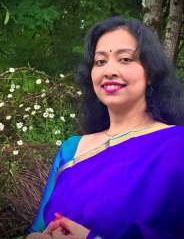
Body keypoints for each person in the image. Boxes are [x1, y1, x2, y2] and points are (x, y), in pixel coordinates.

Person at [26, 17, 184, 239]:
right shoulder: (71, 150)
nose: (109, 70)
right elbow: (38, 229)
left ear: (151, 73)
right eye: (100, 62)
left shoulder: (176, 145)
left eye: (125, 59)